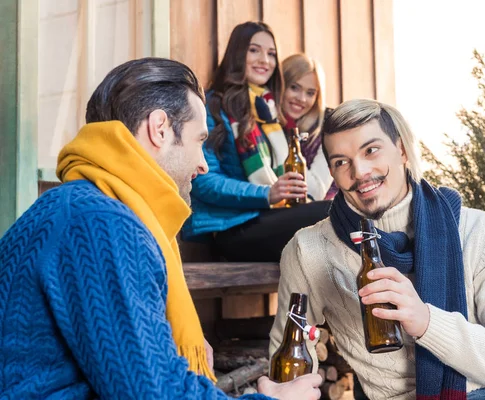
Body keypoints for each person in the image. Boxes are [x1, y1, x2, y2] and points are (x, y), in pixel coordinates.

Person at [0, 57, 321, 399]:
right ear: (160, 129)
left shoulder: (78, 205)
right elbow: (152, 394)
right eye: (200, 141)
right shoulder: (102, 223)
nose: (201, 163)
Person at [269, 99, 485, 399]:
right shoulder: (309, 251)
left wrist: (426, 322)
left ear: (400, 149)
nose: (359, 171)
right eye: (341, 162)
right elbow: (287, 366)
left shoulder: (479, 231)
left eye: (371, 150)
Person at [182, 22, 331, 262]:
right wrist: (267, 193)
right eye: (254, 50)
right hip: (231, 228)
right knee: (332, 214)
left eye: (271, 54)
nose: (265, 60)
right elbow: (204, 182)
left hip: (268, 218)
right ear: (237, 53)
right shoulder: (211, 106)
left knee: (338, 224)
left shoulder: (267, 111)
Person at [281, 53, 335, 200]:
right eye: (294, 88)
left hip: (326, 212)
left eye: (310, 93)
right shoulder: (267, 123)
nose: (301, 99)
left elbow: (317, 191)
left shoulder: (329, 126)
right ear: (280, 85)